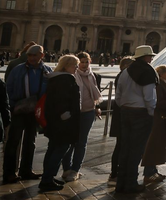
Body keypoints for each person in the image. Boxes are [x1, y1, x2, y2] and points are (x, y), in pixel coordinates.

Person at [3, 44, 52, 184]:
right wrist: (13, 105)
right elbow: (9, 88)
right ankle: (9, 172)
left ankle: (26, 170)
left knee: (30, 142)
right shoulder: (18, 70)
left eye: (34, 55)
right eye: (29, 55)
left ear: (42, 55)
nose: (31, 58)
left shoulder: (47, 71)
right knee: (13, 141)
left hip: (35, 111)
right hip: (19, 109)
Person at [115, 45, 157, 194]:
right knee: (136, 149)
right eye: (150, 56)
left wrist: (124, 107)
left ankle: (121, 182)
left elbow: (118, 95)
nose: (152, 59)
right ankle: (131, 182)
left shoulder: (125, 72)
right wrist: (151, 113)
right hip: (141, 113)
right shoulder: (147, 71)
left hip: (125, 112)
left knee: (124, 148)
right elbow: (149, 97)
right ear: (145, 57)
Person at [38, 55, 81, 192]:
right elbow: (62, 101)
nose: (76, 68)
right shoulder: (65, 80)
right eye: (75, 65)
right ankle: (47, 179)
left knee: (52, 148)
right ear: (67, 66)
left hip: (54, 122)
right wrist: (67, 116)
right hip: (63, 123)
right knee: (61, 148)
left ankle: (48, 177)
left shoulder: (55, 78)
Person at [61, 52, 102, 182]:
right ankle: (66, 168)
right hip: (74, 113)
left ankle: (75, 169)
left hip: (88, 112)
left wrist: (96, 107)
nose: (84, 65)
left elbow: (94, 93)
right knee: (70, 141)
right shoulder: (71, 75)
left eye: (86, 62)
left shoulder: (93, 76)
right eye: (81, 62)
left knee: (81, 142)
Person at [140, 65, 166, 182]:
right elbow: (159, 102)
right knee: (153, 146)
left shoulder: (163, 84)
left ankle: (153, 171)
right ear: (161, 74)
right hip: (159, 119)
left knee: (157, 146)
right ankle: (149, 172)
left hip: (162, 119)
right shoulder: (159, 85)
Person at [108, 56, 134, 184]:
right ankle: (115, 173)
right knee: (121, 146)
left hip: (120, 115)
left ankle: (116, 173)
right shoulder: (124, 77)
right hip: (122, 115)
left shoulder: (122, 76)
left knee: (121, 145)